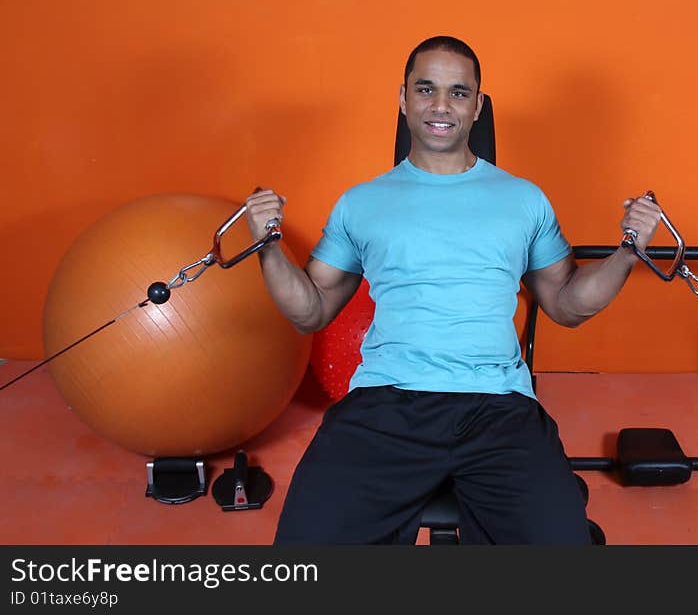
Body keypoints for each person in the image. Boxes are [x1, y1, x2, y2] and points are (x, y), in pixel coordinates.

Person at [246, 35, 662, 544]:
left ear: (477, 106)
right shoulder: (362, 203)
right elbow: (309, 312)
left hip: (499, 407)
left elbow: (567, 305)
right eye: (426, 89)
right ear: (403, 99)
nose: (441, 106)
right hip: (385, 404)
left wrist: (628, 251)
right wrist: (267, 246)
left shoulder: (523, 199)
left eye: (458, 93)